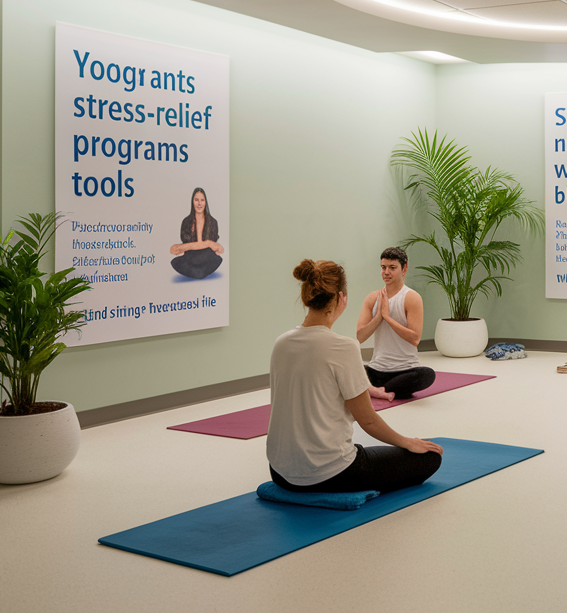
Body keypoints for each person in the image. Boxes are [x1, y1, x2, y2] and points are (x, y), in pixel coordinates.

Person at [267, 259, 442, 495]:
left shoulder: (281, 343)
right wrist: (408, 442)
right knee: (429, 458)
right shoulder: (344, 347)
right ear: (341, 298)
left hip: (279, 472)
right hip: (330, 473)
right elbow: (368, 421)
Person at [356, 247, 434, 402]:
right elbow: (360, 336)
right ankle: (381, 389)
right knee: (351, 368)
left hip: (405, 370)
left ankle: (374, 390)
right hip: (376, 369)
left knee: (427, 375)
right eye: (383, 267)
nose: (386, 272)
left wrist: (388, 317)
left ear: (404, 268)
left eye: (392, 268)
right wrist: (378, 317)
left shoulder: (412, 298)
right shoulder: (372, 298)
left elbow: (415, 338)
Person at [169, 187, 224, 279]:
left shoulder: (213, 222)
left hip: (207, 259)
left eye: (202, 200)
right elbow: (172, 250)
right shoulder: (186, 222)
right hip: (190, 260)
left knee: (210, 256)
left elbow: (219, 250)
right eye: (196, 200)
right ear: (192, 202)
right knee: (176, 261)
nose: (199, 203)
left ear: (205, 202)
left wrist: (184, 247)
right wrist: (208, 243)